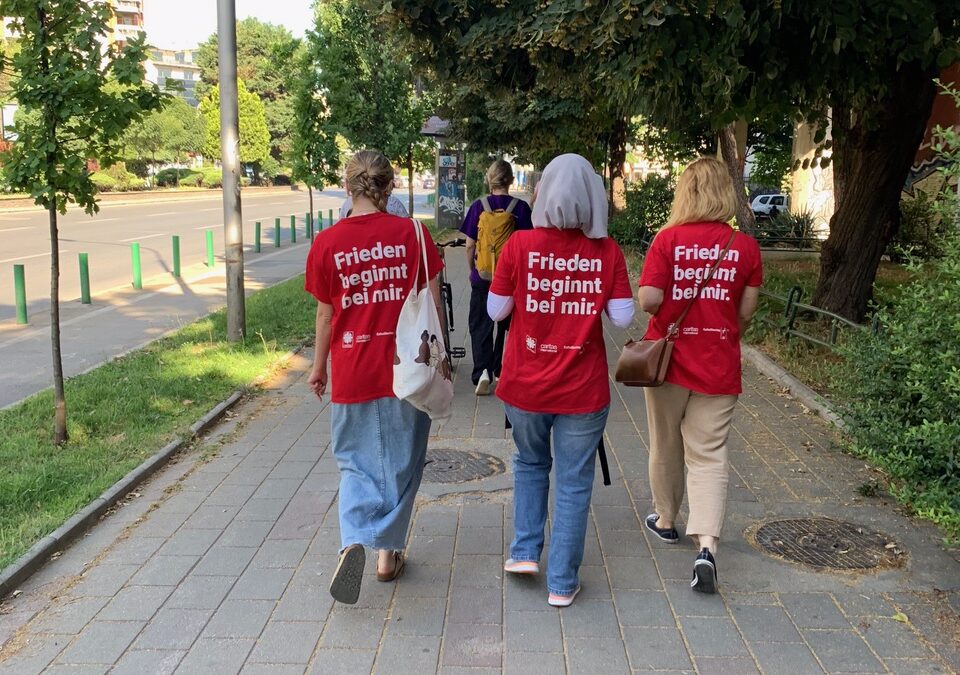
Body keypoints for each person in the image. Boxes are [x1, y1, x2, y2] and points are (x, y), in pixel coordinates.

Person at [487, 153, 634, 607]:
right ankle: (562, 583)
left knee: (531, 464)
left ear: (543, 193)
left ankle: (525, 551)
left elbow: (495, 311)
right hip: (583, 390)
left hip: (525, 386)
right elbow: (624, 318)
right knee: (573, 481)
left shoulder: (519, 247)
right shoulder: (607, 252)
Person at [305, 150, 444, 604]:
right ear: (388, 189)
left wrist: (318, 366)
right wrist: (441, 359)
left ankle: (351, 540)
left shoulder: (327, 243)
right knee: (404, 463)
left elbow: (326, 316)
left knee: (354, 462)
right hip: (408, 371)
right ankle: (388, 555)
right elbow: (432, 302)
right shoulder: (415, 236)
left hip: (351, 369)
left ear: (348, 187)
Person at [637, 157, 762, 594]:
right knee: (708, 453)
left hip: (668, 362)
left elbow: (650, 299)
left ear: (685, 191)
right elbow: (746, 312)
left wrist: (671, 303)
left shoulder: (667, 240)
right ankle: (706, 546)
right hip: (719, 363)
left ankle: (666, 519)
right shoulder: (744, 247)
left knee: (665, 441)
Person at [460, 159, 533, 395]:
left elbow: (470, 245)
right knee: (507, 325)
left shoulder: (478, 206)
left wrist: (473, 270)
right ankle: (502, 370)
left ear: (489, 180)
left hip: (482, 277)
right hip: (511, 279)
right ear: (511, 180)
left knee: (480, 324)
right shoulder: (521, 209)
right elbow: (528, 247)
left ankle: (482, 371)